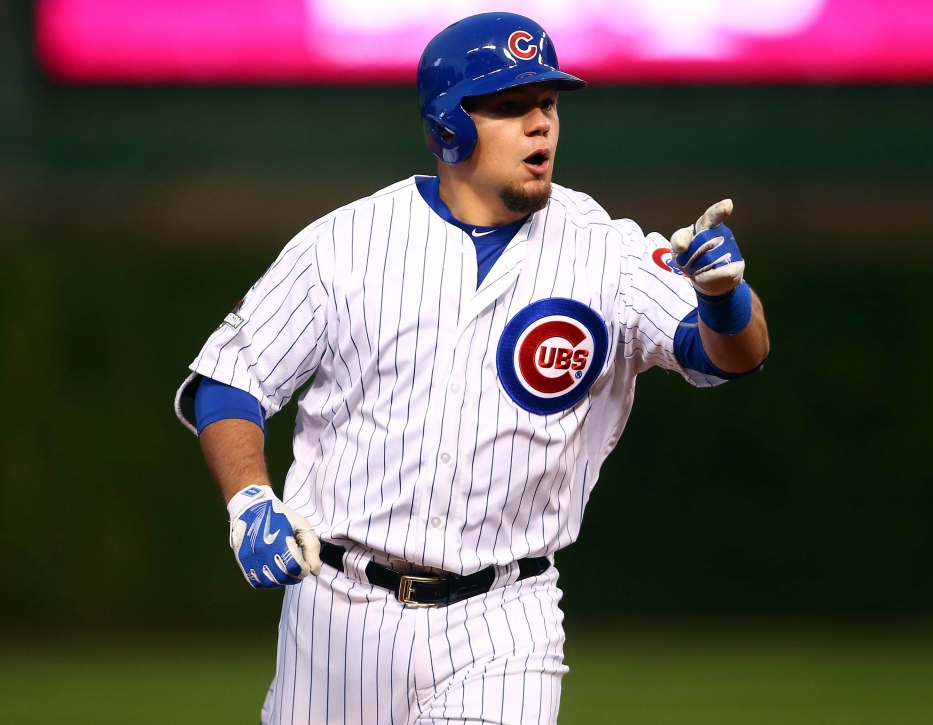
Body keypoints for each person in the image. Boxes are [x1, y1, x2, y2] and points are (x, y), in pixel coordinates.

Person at [175, 12, 769, 725]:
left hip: (504, 619)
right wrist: (248, 500)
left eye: (547, 104)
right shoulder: (346, 244)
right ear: (449, 126)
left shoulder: (603, 251)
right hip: (337, 613)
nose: (541, 124)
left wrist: (725, 297)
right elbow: (231, 378)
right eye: (510, 107)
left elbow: (733, 356)